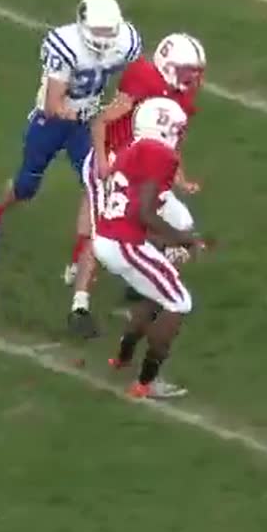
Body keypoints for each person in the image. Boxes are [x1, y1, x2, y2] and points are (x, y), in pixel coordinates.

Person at [65, 32, 205, 337]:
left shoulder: (181, 95)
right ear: (167, 65)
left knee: (181, 221)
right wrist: (103, 161)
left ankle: (143, 282)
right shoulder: (144, 79)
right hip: (115, 161)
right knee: (103, 233)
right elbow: (101, 121)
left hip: (143, 168)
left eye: (195, 72)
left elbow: (171, 142)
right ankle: (80, 306)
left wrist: (179, 178)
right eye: (186, 71)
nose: (192, 79)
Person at [0, 0, 140, 256]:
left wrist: (119, 107)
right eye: (99, 30)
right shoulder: (66, 45)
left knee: (97, 184)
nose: (104, 36)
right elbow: (53, 104)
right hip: (51, 123)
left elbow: (133, 81)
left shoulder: (126, 42)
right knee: (25, 187)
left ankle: (80, 257)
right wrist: (95, 114)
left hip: (85, 125)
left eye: (109, 30)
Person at [90, 97, 207, 399]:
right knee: (179, 301)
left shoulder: (131, 149)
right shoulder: (159, 155)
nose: (180, 135)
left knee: (156, 296)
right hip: (125, 242)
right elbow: (144, 212)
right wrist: (184, 239)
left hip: (109, 235)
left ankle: (122, 358)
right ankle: (145, 383)